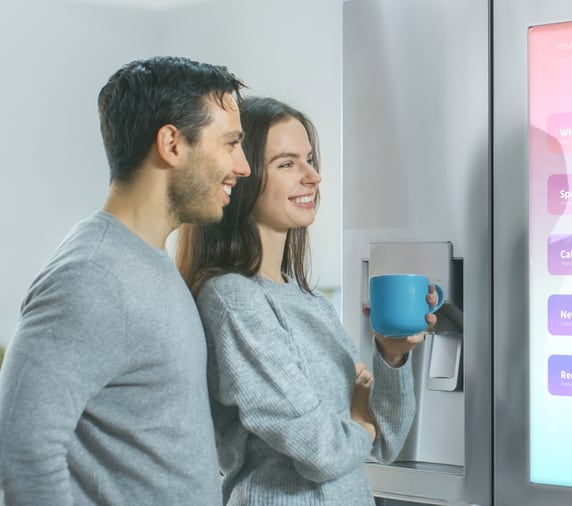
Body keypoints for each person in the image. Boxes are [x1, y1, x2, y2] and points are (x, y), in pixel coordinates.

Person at [0, 56, 251, 505]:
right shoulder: (91, 276)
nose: (243, 166)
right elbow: (22, 453)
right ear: (172, 144)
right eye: (230, 143)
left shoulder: (148, 261)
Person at [176, 95, 434, 505]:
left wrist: (391, 355)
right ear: (242, 178)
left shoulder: (307, 302)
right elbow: (324, 452)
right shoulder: (232, 299)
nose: (312, 176)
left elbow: (382, 443)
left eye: (310, 160)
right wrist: (357, 423)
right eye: (287, 163)